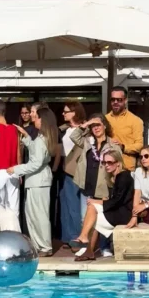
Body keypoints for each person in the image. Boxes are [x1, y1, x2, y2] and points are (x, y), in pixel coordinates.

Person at [8, 107, 59, 256]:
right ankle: (40, 245)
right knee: (33, 214)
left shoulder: (42, 139)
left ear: (43, 120)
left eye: (36, 117)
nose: (33, 119)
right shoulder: (44, 137)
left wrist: (15, 169)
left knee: (39, 215)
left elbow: (36, 163)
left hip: (38, 181)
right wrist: (25, 136)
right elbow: (37, 153)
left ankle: (45, 246)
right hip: (38, 180)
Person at [70, 149, 133, 261]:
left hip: (123, 214)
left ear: (118, 162)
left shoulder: (124, 176)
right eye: (104, 163)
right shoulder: (115, 177)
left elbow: (118, 200)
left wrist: (99, 202)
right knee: (92, 213)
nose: (106, 165)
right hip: (117, 210)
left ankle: (84, 239)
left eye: (110, 162)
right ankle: (88, 249)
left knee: (92, 208)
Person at [58, 101, 87, 245]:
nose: (63, 114)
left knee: (75, 206)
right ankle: (67, 237)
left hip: (76, 171)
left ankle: (76, 238)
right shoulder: (65, 129)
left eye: (66, 111)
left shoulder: (84, 129)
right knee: (65, 204)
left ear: (74, 112)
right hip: (65, 169)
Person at [0, 100, 21, 212]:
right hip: (14, 171)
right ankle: (14, 229)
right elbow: (18, 153)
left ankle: (1, 229)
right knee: (14, 207)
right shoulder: (14, 129)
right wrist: (20, 171)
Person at [105, 86, 143, 172]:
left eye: (119, 100)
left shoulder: (135, 121)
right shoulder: (105, 119)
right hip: (107, 167)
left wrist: (123, 147)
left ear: (125, 100)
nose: (115, 102)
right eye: (113, 99)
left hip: (126, 168)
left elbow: (139, 145)